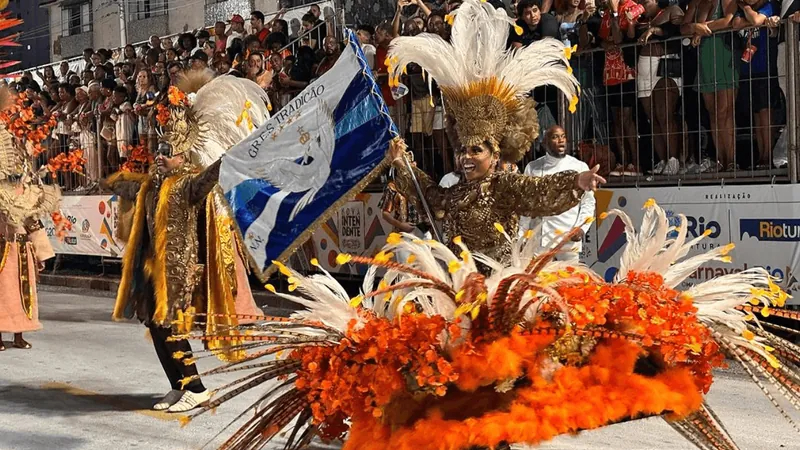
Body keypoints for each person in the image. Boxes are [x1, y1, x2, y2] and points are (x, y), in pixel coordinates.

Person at [101, 73, 271, 413]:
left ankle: (196, 387)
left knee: (170, 325)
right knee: (154, 323)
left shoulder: (190, 184)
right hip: (153, 267)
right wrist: (114, 176)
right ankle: (178, 386)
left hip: (179, 270)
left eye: (173, 153)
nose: (164, 156)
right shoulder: (153, 184)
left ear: (186, 156)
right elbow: (122, 185)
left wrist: (229, 158)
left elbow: (213, 174)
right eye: (164, 151)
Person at [386, 2, 603, 265]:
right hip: (463, 289)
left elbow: (539, 191)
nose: (466, 156)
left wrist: (576, 181)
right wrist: (401, 163)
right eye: (464, 150)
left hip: (500, 289)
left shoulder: (504, 187)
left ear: (495, 153)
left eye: (476, 150)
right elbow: (427, 193)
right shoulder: (454, 192)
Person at [0, 88, 61, 352]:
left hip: (22, 247)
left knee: (24, 291)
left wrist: (40, 251)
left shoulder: (26, 188)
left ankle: (18, 334)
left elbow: (32, 216)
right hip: (3, 245)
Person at [520, 125, 595, 261]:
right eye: (555, 137)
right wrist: (522, 235)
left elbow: (588, 203)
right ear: (545, 142)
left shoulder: (579, 167)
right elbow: (525, 204)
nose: (561, 140)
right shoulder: (532, 167)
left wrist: (581, 228)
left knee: (570, 280)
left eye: (563, 136)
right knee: (539, 280)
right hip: (539, 240)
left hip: (568, 239)